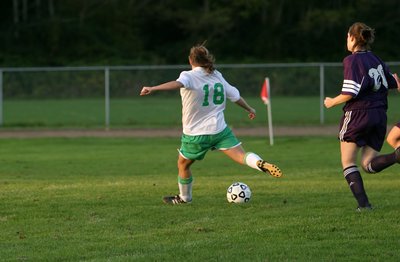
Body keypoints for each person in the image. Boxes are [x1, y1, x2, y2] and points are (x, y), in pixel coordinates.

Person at [140, 43, 282, 204]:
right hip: (220, 130)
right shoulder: (217, 76)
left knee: (183, 165)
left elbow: (177, 83)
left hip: (195, 134)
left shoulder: (188, 75)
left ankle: (185, 198)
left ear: (190, 60)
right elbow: (235, 96)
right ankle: (258, 163)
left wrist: (153, 88)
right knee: (242, 156)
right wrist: (249, 108)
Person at [324, 22, 400, 211]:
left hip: (358, 114)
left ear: (352, 37)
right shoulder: (376, 58)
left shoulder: (352, 60)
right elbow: (393, 82)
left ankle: (364, 205)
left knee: (348, 163)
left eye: (347, 37)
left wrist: (331, 101)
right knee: (367, 164)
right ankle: (397, 156)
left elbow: (350, 92)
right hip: (380, 115)